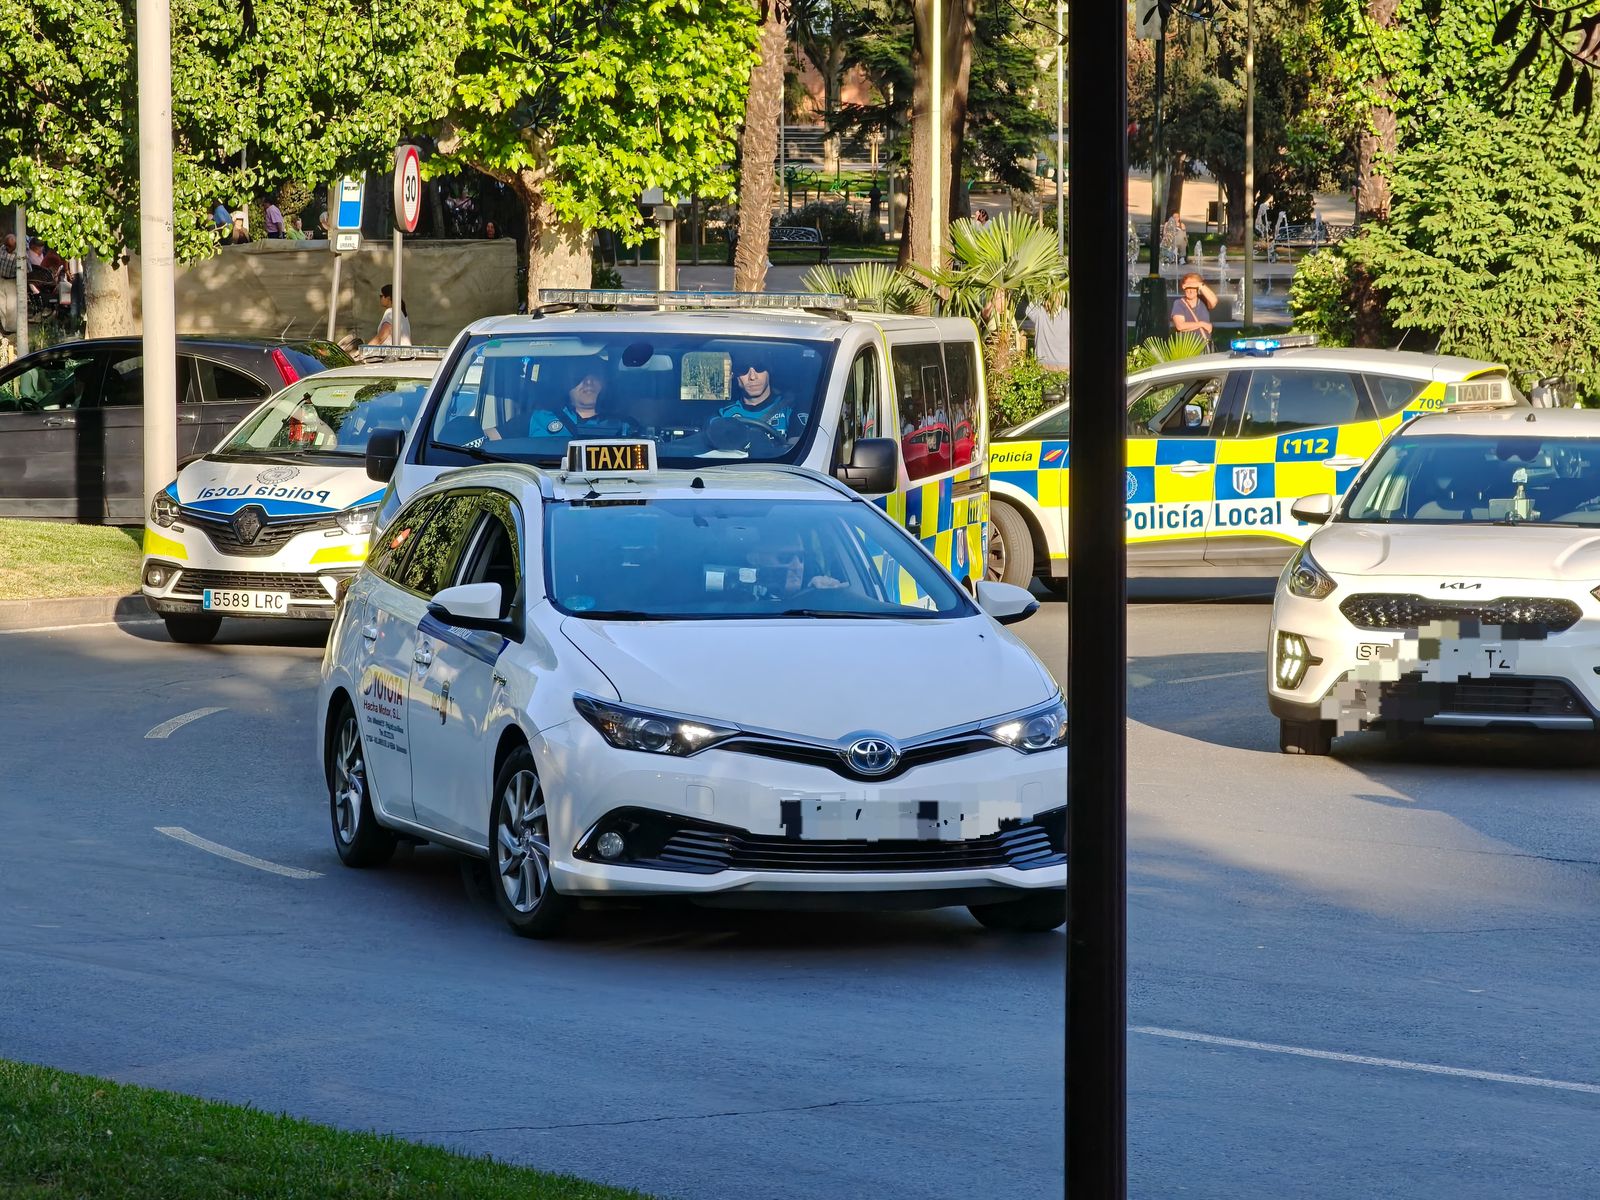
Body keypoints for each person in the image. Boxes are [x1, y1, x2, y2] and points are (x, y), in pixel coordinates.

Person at [520, 363, 638, 439]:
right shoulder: (537, 419)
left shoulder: (626, 425)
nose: (588, 382)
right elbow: (501, 445)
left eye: (595, 376)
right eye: (579, 376)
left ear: (605, 382)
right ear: (566, 383)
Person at [719, 353, 804, 439]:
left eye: (759, 368)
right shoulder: (724, 415)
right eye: (743, 369)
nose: (752, 377)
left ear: (770, 369)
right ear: (734, 374)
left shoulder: (790, 409)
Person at [746, 532, 845, 601]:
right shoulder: (740, 600)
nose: (797, 566)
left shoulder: (817, 592)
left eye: (801, 558)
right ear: (756, 559)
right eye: (785, 558)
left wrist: (830, 593)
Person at [1024, 298, 1071, 372]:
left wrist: (1041, 295)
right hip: (1044, 364)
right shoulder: (1040, 313)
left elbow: (1029, 308)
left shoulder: (1068, 315)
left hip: (1063, 365)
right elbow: (1028, 309)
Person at [1170, 273, 1216, 342]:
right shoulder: (1179, 303)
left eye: (1193, 287)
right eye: (1188, 287)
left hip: (1205, 347)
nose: (1190, 291)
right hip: (1188, 348)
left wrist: (1200, 285)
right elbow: (1180, 326)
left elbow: (1214, 301)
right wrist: (1202, 324)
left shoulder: (1204, 301)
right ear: (1183, 287)